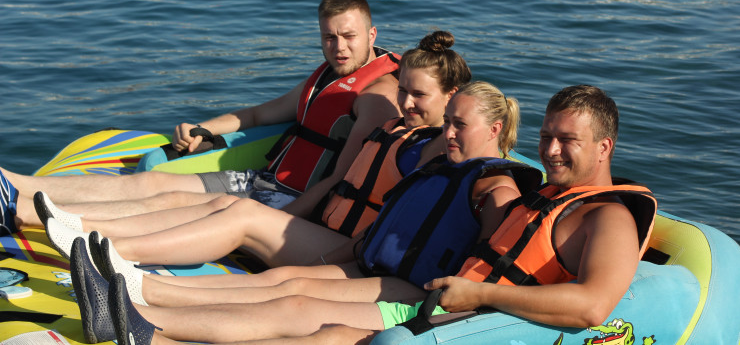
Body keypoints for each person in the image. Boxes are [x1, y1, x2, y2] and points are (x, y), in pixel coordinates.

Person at [95, 85, 655, 345]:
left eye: (567, 141)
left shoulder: (608, 218)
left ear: (604, 147)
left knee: (322, 327)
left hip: (473, 317)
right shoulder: (547, 198)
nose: (551, 150)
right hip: (447, 303)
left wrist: (480, 293)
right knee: (297, 303)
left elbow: (592, 306)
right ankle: (140, 310)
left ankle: (150, 330)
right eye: (547, 136)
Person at [44, 31, 472, 285]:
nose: (406, 102)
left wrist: (317, 251)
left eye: (418, 95)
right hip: (325, 230)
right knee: (222, 205)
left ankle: (108, 255)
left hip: (349, 253)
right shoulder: (397, 129)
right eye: (402, 90)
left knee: (243, 217)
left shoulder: (443, 153)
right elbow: (341, 183)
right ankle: (80, 228)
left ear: (451, 96)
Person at [0, 0, 402, 234]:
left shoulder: (375, 95)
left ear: (371, 34)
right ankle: (15, 184)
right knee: (151, 183)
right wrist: (203, 129)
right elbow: (259, 115)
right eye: (329, 37)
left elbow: (338, 179)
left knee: (170, 204)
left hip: (293, 203)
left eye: (349, 36)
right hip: (262, 181)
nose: (339, 47)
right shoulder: (328, 77)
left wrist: (283, 221)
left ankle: (28, 216)